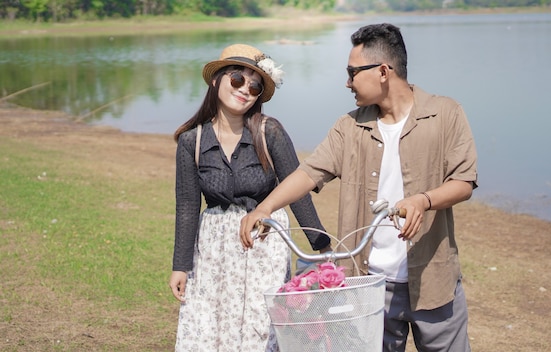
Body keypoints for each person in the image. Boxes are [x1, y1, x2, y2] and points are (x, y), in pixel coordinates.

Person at [240, 24, 478, 352]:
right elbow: (309, 173)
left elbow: (463, 182)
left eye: (353, 72)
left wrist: (423, 200)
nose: (347, 82)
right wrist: (265, 208)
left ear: (383, 71)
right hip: (367, 287)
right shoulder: (349, 126)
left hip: (434, 283)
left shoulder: (445, 113)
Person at [168, 43, 331, 352]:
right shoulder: (192, 140)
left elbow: (297, 190)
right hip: (214, 251)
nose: (245, 90)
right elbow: (188, 206)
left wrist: (322, 248)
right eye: (237, 79)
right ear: (217, 80)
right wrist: (180, 265)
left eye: (255, 85)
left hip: (264, 244)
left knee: (261, 328)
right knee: (210, 327)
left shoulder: (270, 132)